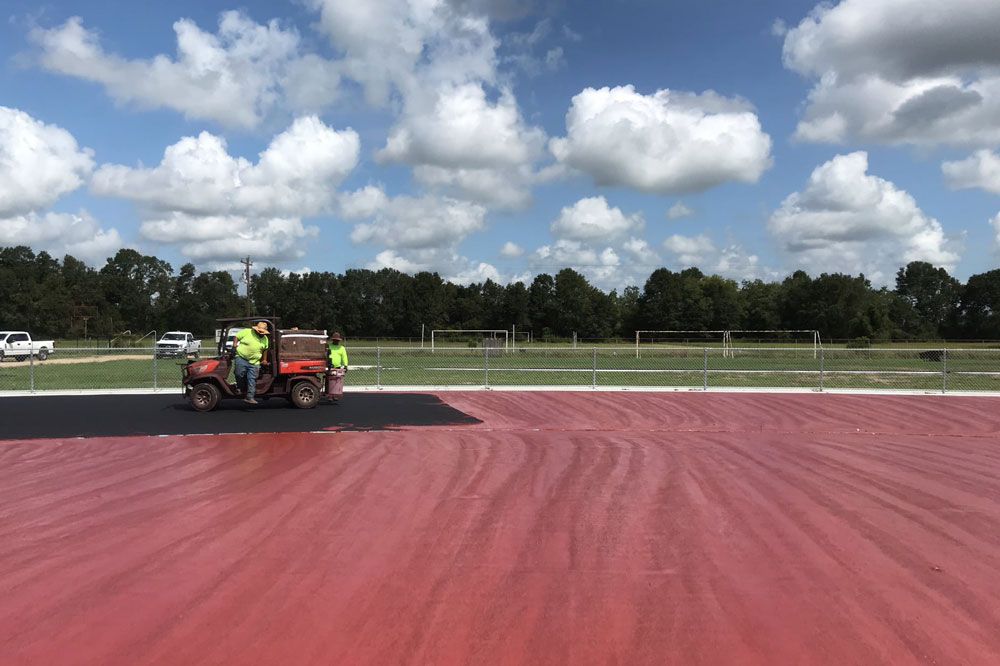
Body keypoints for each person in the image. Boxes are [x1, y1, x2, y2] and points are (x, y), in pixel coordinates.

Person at [233, 321, 270, 404]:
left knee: (252, 378)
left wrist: (264, 359)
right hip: (241, 357)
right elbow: (236, 336)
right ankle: (240, 387)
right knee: (239, 374)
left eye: (262, 332)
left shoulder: (265, 339)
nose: (261, 333)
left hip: (255, 361)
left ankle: (249, 396)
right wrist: (234, 345)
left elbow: (265, 350)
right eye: (259, 332)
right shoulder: (247, 332)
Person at [325, 331, 348, 403]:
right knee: (328, 381)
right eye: (335, 340)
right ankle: (329, 396)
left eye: (337, 340)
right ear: (333, 340)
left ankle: (335, 395)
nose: (336, 341)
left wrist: (345, 365)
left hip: (337, 366)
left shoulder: (341, 348)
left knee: (337, 381)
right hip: (329, 366)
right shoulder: (329, 346)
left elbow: (344, 357)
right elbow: (325, 355)